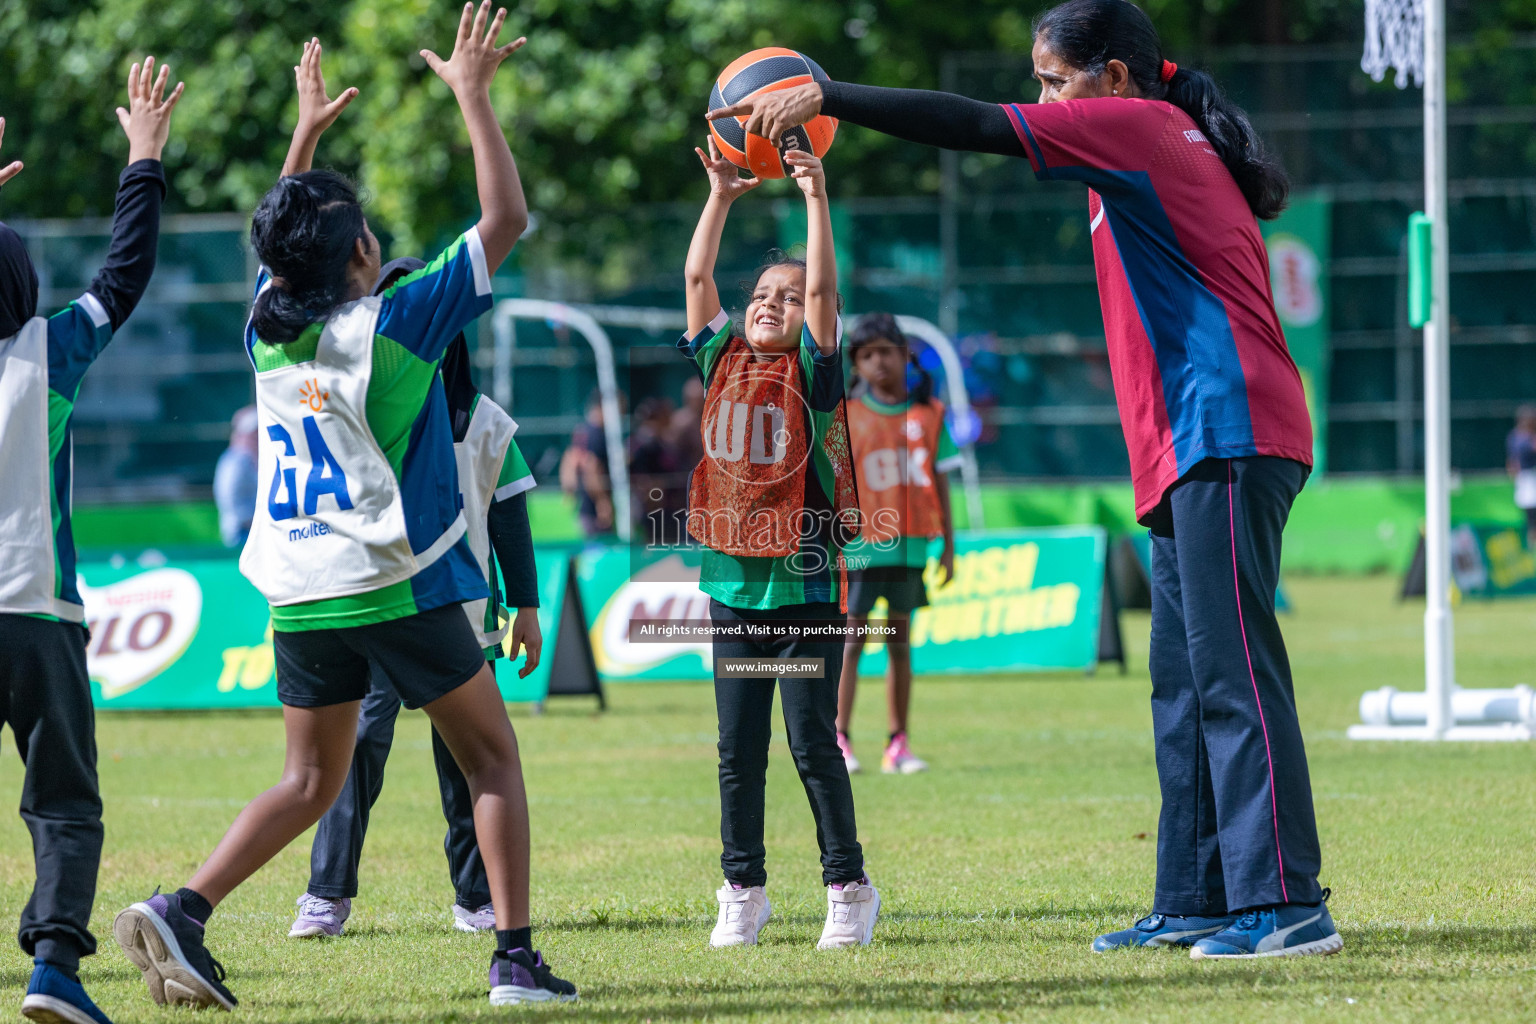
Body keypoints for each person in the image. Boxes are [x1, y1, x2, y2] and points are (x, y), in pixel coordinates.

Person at [714, 0, 1340, 960]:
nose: (1041, 97)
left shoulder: (1138, 127)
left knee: (1233, 673)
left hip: (1229, 426)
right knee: (1179, 685)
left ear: (1116, 79)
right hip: (1186, 444)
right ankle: (1198, 897)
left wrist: (831, 93)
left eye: (1054, 79)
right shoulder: (1132, 147)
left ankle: (1286, 899)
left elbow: (973, 124)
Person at [111, 13, 577, 1008]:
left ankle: (183, 909)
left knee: (309, 782)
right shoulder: (394, 324)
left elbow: (282, 257)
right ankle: (515, 959)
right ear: (363, 248)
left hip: (297, 589)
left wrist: (305, 137)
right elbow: (506, 220)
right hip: (391, 576)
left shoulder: (266, 336)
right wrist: (472, 95)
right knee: (491, 755)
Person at [0, 58, 182, 1024]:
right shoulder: (50, 348)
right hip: (38, 611)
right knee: (63, 804)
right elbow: (128, 267)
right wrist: (142, 157)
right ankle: (54, 971)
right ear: (24, 286)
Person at [288, 257, 543, 940]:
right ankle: (326, 894)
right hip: (378, 612)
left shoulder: (486, 423)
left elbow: (512, 521)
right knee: (355, 752)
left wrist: (527, 606)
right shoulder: (360, 402)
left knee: (470, 766)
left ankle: (476, 898)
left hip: (461, 622)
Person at [680, 135, 878, 950]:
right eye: (762, 291)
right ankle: (743, 890)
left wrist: (815, 196)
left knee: (809, 744)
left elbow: (825, 290)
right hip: (732, 589)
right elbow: (697, 278)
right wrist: (722, 197)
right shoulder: (720, 358)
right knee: (738, 752)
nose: (771, 302)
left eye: (787, 298)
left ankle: (848, 888)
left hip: (801, 591)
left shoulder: (815, 372)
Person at [835, 313, 960, 776]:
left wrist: (948, 545)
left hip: (910, 547)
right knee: (851, 641)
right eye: (867, 355)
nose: (878, 362)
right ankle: (840, 737)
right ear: (856, 364)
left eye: (886, 351)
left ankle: (897, 743)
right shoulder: (846, 414)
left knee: (899, 643)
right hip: (861, 547)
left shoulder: (930, 414)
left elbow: (941, 485)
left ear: (904, 355)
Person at [559, 389, 614, 537]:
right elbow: (592, 468)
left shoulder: (581, 431)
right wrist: (602, 501)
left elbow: (569, 461)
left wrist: (569, 492)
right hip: (595, 507)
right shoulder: (597, 434)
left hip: (585, 504)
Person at [212, 406, 259, 548]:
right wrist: (247, 521)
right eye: (254, 432)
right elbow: (227, 495)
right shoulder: (236, 460)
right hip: (242, 531)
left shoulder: (252, 458)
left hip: (253, 529)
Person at [1506, 405, 1536, 550]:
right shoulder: (1515, 437)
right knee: (1528, 506)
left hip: (1531, 475)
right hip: (1525, 477)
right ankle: (1531, 535)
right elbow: (1512, 459)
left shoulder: (1530, 437)